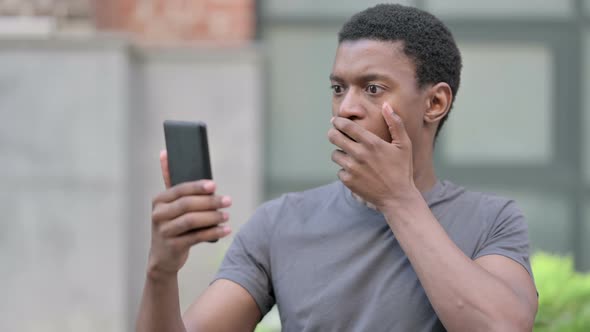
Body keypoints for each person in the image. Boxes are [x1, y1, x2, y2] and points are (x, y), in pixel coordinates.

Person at [136, 4, 538, 332]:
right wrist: (160, 271)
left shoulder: (491, 221)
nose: (346, 108)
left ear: (434, 104)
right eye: (338, 88)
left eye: (373, 88)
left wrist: (398, 199)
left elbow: (500, 325)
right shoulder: (281, 223)